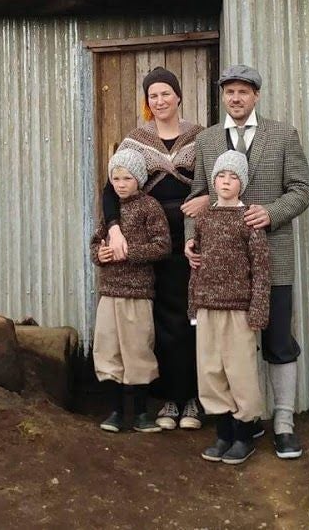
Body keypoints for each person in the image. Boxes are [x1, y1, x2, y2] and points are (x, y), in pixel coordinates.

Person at [185, 64, 309, 459]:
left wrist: (271, 213)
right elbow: (198, 196)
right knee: (228, 351)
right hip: (221, 271)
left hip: (271, 258)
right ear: (222, 97)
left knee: (276, 341)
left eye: (243, 91)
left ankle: (284, 423)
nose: (236, 98)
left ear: (256, 95)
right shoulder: (207, 141)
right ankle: (242, 424)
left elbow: (302, 189)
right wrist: (192, 241)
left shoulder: (283, 134)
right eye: (229, 92)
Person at [100, 67, 206, 430]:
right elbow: (109, 190)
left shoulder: (201, 137)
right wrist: (114, 230)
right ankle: (166, 401)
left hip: (191, 240)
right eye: (153, 96)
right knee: (155, 322)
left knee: (190, 317)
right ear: (147, 103)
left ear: (178, 96)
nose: (160, 101)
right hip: (147, 242)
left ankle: (191, 399)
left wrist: (203, 203)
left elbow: (216, 181)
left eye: (165, 93)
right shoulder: (135, 141)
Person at [187, 150, 270, 465]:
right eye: (221, 175)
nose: (226, 181)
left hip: (238, 309)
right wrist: (193, 303)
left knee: (240, 371)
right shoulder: (205, 217)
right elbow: (197, 262)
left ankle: (243, 435)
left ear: (242, 183)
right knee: (211, 370)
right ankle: (223, 434)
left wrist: (258, 308)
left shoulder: (249, 219)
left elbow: (261, 269)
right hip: (207, 305)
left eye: (233, 176)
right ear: (213, 180)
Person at [91, 151, 172, 433]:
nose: (121, 184)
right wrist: (100, 253)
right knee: (108, 349)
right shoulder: (110, 213)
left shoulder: (150, 208)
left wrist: (128, 253)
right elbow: (95, 242)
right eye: (116, 178)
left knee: (138, 350)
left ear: (139, 179)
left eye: (127, 178)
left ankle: (140, 414)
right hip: (109, 292)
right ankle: (115, 412)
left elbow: (163, 246)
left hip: (137, 294)